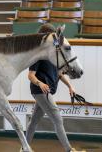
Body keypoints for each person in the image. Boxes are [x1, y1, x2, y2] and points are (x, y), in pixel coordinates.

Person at [26, 23, 80, 152]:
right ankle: (69, 150)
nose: (55, 40)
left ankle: (24, 147)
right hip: (40, 91)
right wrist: (40, 83)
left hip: (46, 91)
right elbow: (30, 75)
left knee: (33, 122)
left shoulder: (53, 54)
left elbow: (59, 74)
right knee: (57, 118)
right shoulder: (37, 55)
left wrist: (70, 86)